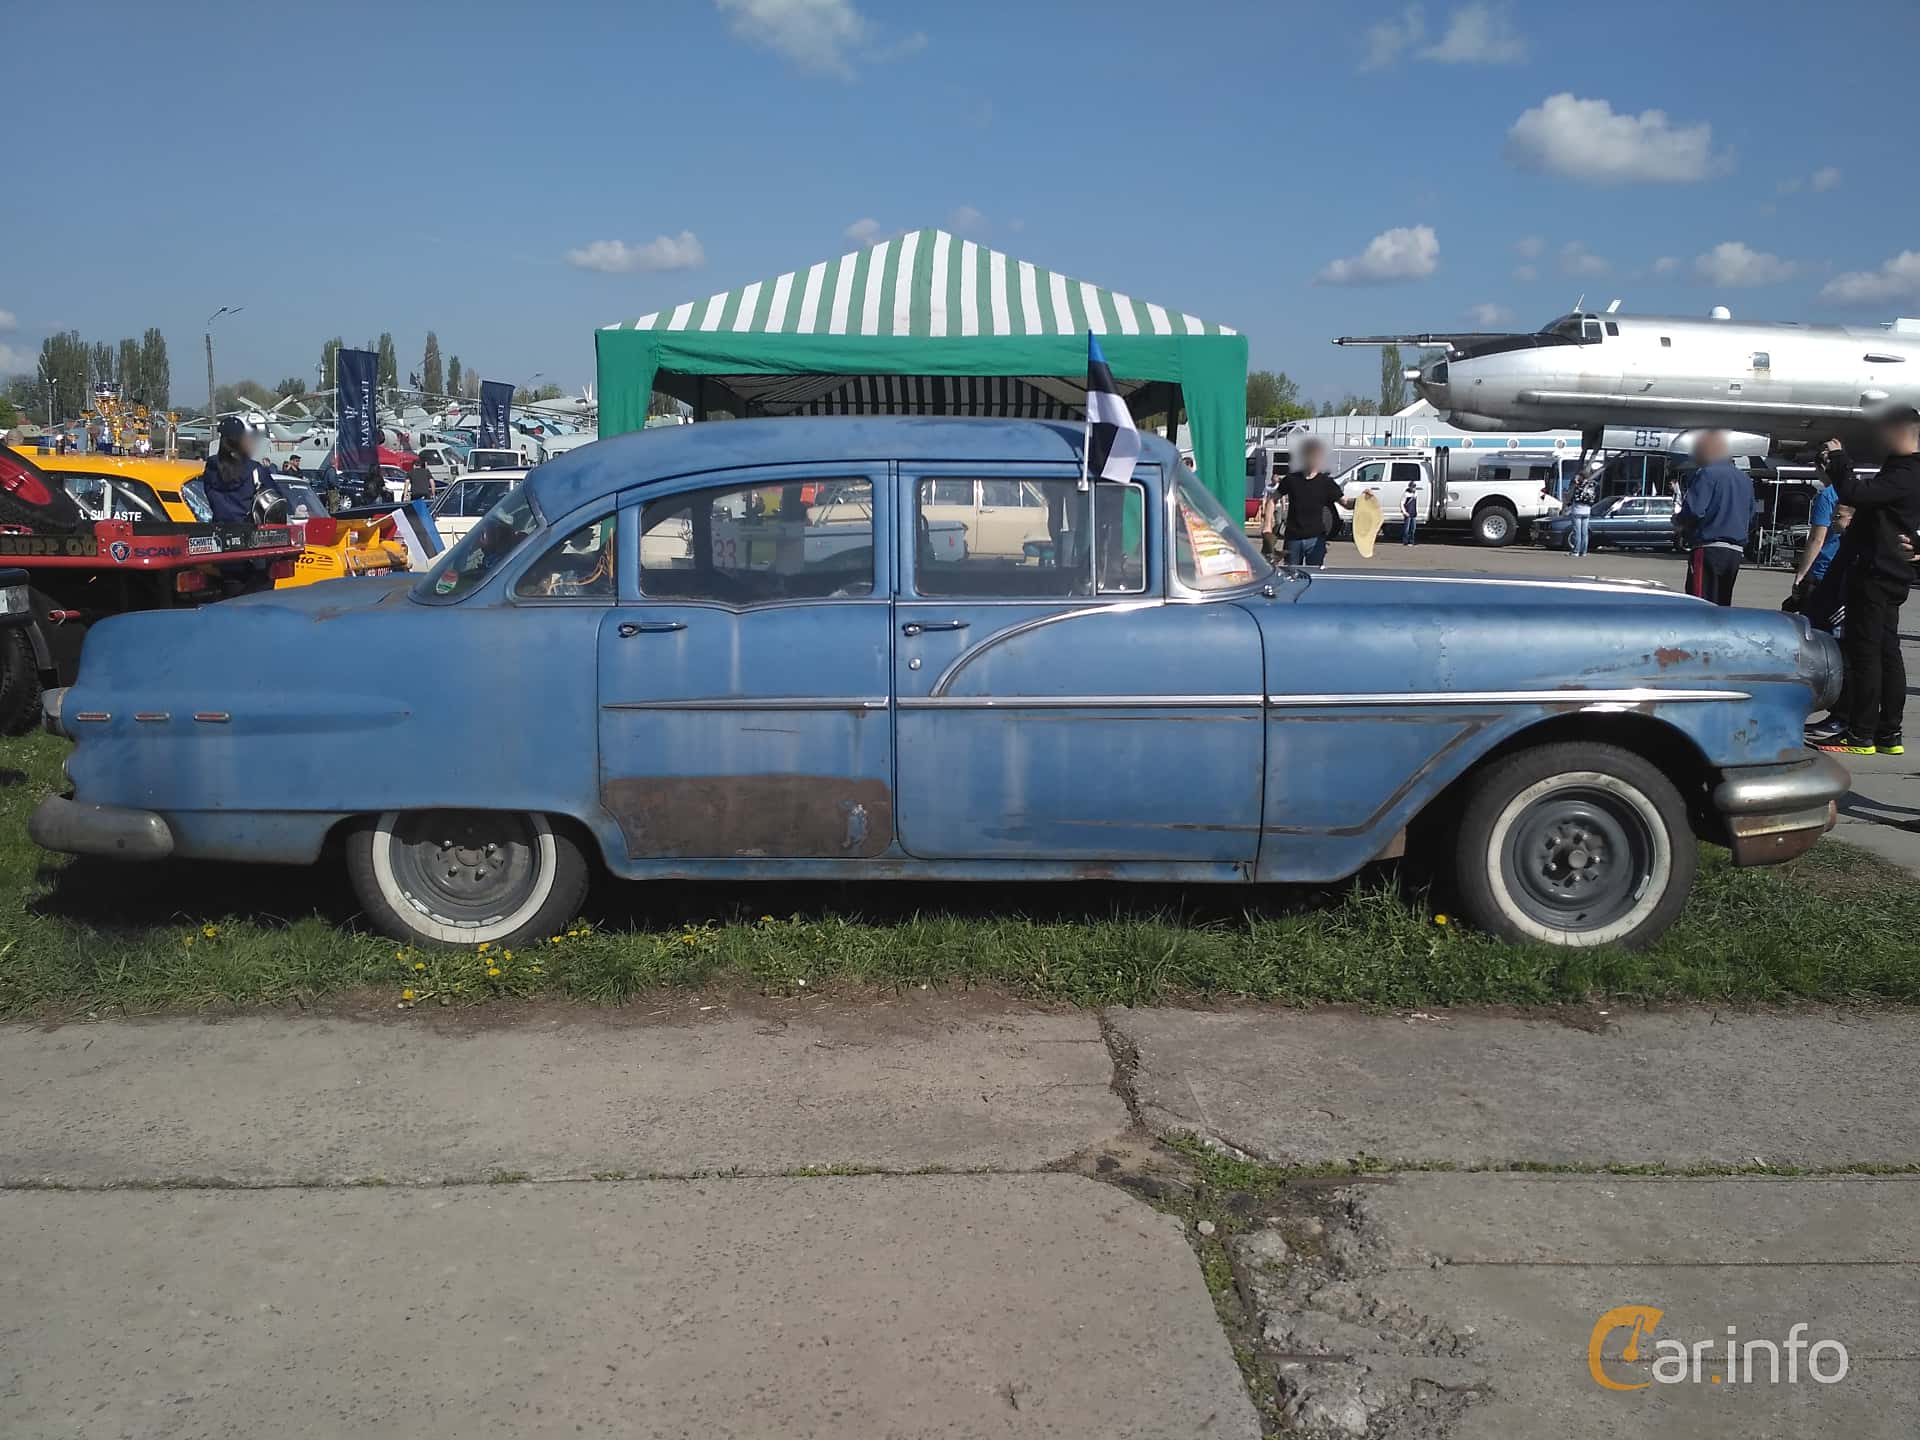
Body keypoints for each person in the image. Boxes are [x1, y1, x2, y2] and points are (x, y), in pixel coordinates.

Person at [1812, 407, 1920, 756]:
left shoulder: (1908, 471)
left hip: (1877, 572)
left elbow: (1856, 494)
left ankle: (1862, 733)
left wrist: (1841, 460)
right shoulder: (1902, 470)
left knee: (1867, 653)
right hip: (1889, 570)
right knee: (1886, 651)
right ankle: (1888, 733)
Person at [1677, 431, 1755, 605]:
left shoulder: (1707, 473)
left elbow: (1695, 510)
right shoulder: (1744, 479)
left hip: (1708, 548)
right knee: (1722, 602)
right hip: (1734, 551)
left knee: (1699, 602)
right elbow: (1751, 515)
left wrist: (1679, 523)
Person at [1276, 439, 1360, 568]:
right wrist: (1266, 526)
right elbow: (1272, 499)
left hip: (1316, 539)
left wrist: (1362, 501)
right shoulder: (1291, 480)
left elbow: (1346, 503)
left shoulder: (1326, 483)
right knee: (1291, 574)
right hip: (1293, 538)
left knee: (1315, 574)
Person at [1566, 468, 1597, 557]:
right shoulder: (1592, 485)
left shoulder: (1578, 485)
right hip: (1587, 510)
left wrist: (1575, 482)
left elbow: (1573, 496)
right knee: (1584, 532)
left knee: (1577, 532)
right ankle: (1584, 551)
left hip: (1577, 510)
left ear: (1581, 477)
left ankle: (1576, 551)